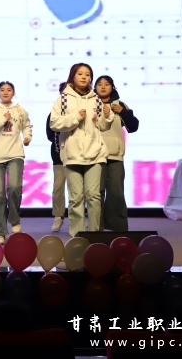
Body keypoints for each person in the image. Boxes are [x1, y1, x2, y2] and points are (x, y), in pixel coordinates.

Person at [49, 63, 113, 237]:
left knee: (94, 196)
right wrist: (76, 117)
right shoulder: (63, 99)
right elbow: (54, 123)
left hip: (95, 153)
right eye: (80, 74)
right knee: (76, 198)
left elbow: (102, 126)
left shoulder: (96, 99)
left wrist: (107, 115)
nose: (84, 77)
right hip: (72, 154)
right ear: (73, 76)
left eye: (87, 74)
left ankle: (95, 236)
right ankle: (77, 236)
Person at [0, 81, 32, 244]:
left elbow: (27, 125)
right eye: (2, 90)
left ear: (13, 92)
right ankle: (1, 231)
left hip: (15, 154)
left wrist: (27, 136)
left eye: (9, 90)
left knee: (15, 187)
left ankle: (15, 220)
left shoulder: (19, 109)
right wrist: (3, 119)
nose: (5, 92)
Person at [95, 75, 139, 231]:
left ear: (112, 87)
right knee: (96, 193)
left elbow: (133, 127)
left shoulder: (120, 105)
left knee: (116, 192)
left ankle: (117, 227)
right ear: (95, 87)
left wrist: (123, 112)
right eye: (99, 84)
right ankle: (97, 227)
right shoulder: (90, 103)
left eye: (107, 84)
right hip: (94, 156)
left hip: (115, 155)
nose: (103, 87)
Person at [46, 82, 68, 232]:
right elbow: (50, 134)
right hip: (58, 155)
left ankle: (77, 217)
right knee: (58, 187)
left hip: (78, 156)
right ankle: (58, 215)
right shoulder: (54, 111)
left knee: (78, 189)